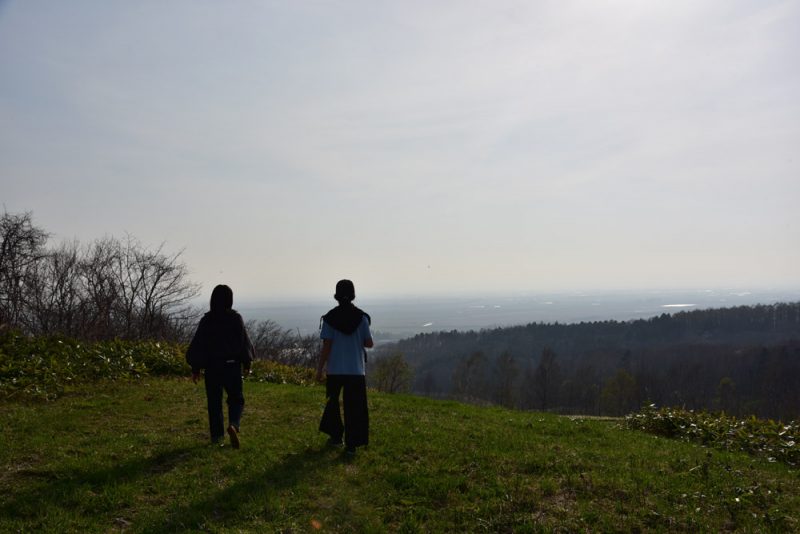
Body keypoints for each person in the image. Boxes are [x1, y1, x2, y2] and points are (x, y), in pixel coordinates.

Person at [186, 284, 254, 448]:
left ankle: (217, 437)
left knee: (214, 403)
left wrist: (196, 369)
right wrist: (247, 363)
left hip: (212, 368)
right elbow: (243, 342)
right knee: (236, 398)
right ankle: (234, 425)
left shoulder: (207, 320)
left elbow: (199, 345)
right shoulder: (235, 319)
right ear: (230, 300)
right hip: (232, 366)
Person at [316, 279, 373, 456]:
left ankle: (335, 436)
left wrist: (319, 369)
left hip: (335, 370)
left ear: (337, 296)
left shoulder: (330, 318)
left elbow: (327, 346)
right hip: (356, 370)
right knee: (355, 408)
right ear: (353, 294)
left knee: (332, 404)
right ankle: (351, 445)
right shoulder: (362, 318)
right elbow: (369, 343)